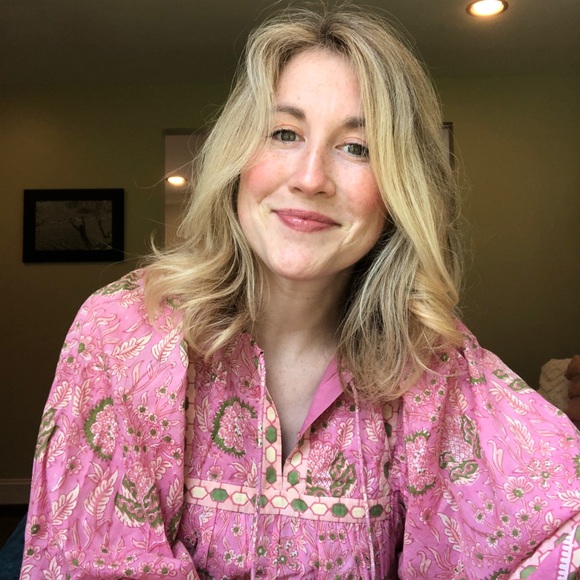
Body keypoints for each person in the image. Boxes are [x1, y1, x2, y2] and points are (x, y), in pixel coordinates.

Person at [20, 6, 580, 579]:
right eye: (284, 134)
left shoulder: (432, 362)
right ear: (237, 158)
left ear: (399, 189)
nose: (311, 178)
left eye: (357, 147)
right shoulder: (121, 332)